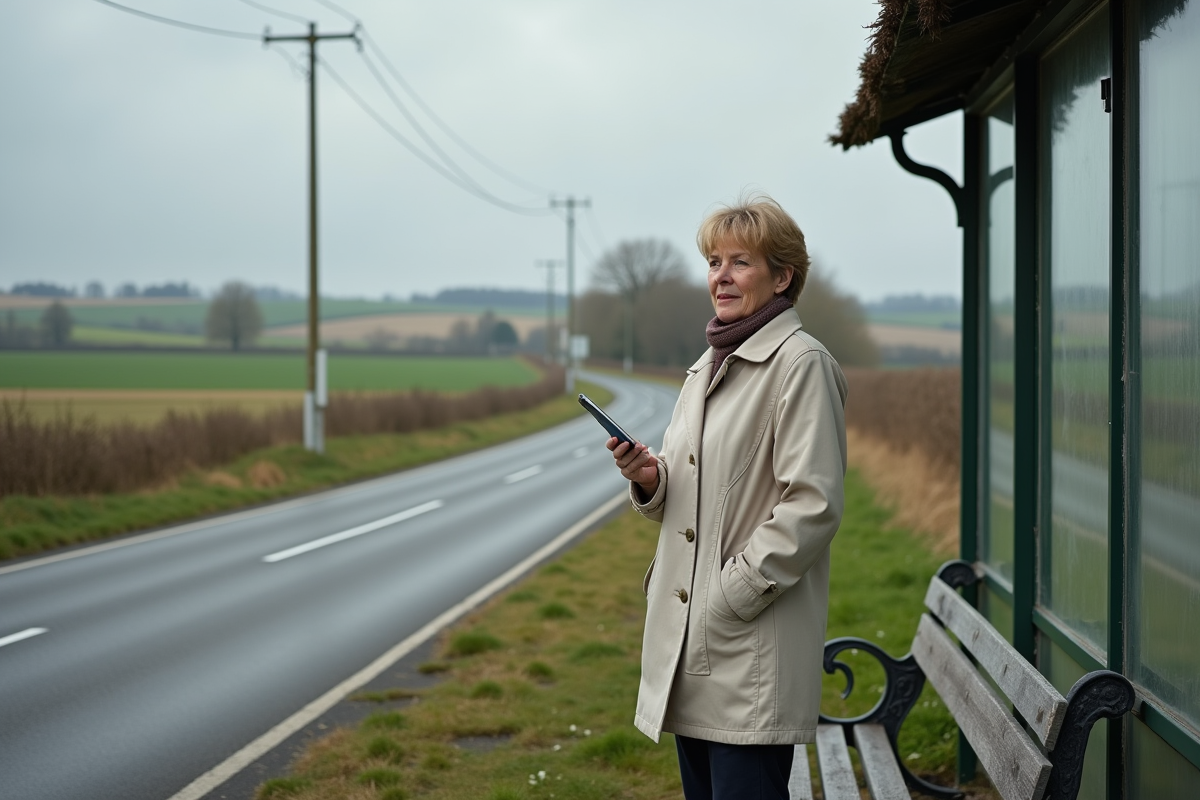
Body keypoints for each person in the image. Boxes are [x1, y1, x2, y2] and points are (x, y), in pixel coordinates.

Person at [606, 195, 848, 800]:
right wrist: (650, 479)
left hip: (749, 645)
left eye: (740, 261)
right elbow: (695, 491)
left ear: (782, 275)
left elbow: (813, 503)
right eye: (714, 261)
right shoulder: (709, 364)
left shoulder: (801, 364)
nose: (721, 276)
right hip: (692, 648)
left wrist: (728, 594)